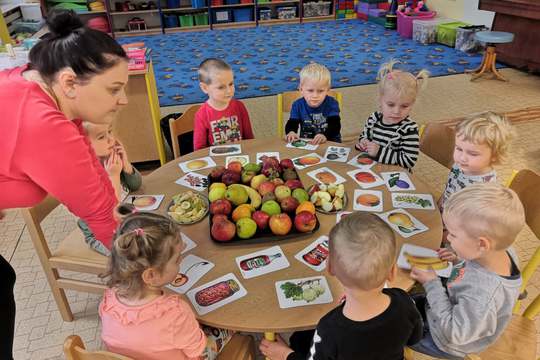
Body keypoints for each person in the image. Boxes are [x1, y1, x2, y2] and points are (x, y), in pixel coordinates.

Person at [0, 10, 128, 359]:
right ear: (70, 82)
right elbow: (102, 217)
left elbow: (91, 174)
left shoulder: (36, 85)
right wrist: (148, 268)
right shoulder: (44, 123)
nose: (124, 100)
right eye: (114, 89)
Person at [260, 212, 423, 360]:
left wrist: (284, 354)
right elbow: (415, 337)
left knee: (299, 339)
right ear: (392, 271)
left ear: (329, 267)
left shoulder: (329, 328)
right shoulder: (404, 301)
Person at [410, 184, 525, 359]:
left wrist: (431, 283)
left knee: (389, 325)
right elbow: (473, 270)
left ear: (481, 244)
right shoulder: (500, 251)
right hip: (451, 306)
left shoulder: (482, 296)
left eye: (453, 235)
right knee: (401, 302)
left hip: (444, 340)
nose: (447, 238)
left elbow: (453, 332)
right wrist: (458, 259)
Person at [99, 213, 232, 359]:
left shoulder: (108, 301)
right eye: (176, 259)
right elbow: (198, 351)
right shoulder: (176, 312)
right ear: (150, 275)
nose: (181, 260)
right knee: (229, 327)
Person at [78, 122, 142, 255]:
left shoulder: (110, 158)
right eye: (101, 137)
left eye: (110, 131)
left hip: (124, 220)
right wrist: (114, 176)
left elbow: (136, 185)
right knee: (131, 254)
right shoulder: (85, 175)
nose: (111, 139)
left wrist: (126, 164)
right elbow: (111, 214)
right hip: (99, 235)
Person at [355, 60, 429, 170]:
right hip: (371, 170)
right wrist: (362, 143)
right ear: (380, 100)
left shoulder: (409, 129)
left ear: (412, 104)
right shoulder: (374, 118)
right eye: (390, 105)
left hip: (395, 176)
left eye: (404, 106)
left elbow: (409, 161)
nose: (396, 111)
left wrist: (379, 152)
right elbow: (365, 137)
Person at [438, 111, 513, 211]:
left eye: (472, 154)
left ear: (494, 155)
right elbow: (449, 189)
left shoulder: (486, 189)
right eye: (459, 149)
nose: (462, 157)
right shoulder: (459, 165)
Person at [193, 58, 254, 150]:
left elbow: (249, 138)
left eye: (231, 84)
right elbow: (199, 149)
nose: (229, 90)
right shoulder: (202, 114)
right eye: (221, 87)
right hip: (216, 160)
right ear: (205, 88)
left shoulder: (239, 106)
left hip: (241, 156)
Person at [285, 63, 341, 144]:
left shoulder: (332, 103)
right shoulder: (297, 105)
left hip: (329, 141)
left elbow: (335, 126)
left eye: (321, 91)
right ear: (301, 89)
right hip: (307, 143)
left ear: (328, 90)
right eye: (310, 90)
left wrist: (325, 135)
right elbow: (292, 123)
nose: (315, 96)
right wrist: (291, 132)